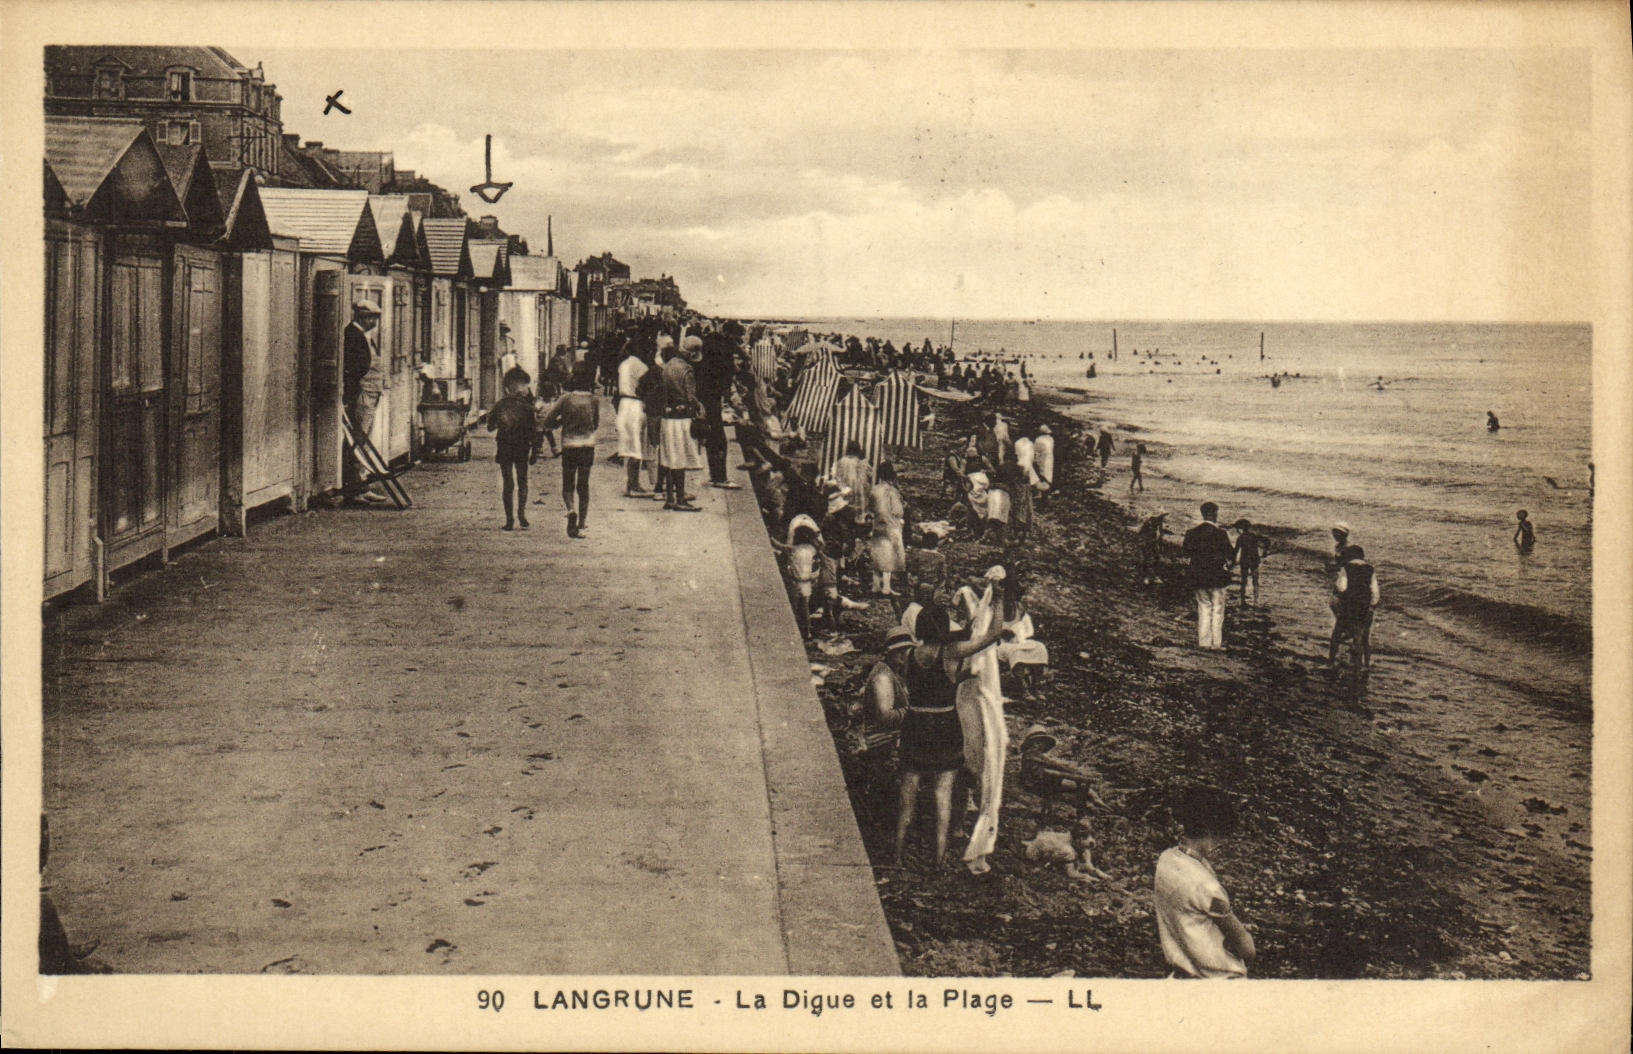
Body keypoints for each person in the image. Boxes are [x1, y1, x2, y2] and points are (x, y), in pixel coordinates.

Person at [894, 603, 1006, 869]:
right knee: (943, 795)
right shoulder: (952, 652)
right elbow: (994, 633)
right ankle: (939, 859)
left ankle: (896, 857)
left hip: (915, 724)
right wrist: (999, 597)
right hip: (944, 726)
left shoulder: (910, 654)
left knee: (907, 795)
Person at [1154, 785, 1256, 979]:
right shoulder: (1207, 888)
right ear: (1213, 831)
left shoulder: (1166, 860)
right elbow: (1247, 949)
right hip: (1217, 979)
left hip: (1180, 971)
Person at [541, 363, 601, 538]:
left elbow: (548, 420)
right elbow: (595, 424)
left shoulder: (566, 399)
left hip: (569, 445)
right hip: (587, 445)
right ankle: (581, 525)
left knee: (568, 484)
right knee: (584, 486)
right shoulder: (593, 400)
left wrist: (561, 422)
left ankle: (570, 509)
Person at [485, 366, 542, 531]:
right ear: (520, 386)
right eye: (525, 385)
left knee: (507, 483)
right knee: (522, 481)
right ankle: (522, 515)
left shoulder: (500, 405)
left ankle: (509, 519)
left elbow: (490, 427)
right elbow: (534, 431)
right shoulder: (527, 407)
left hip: (504, 446)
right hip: (522, 447)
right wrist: (535, 452)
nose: (526, 389)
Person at [341, 300, 387, 503]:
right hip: (362, 395)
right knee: (357, 440)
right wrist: (356, 390)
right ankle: (354, 488)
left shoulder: (363, 336)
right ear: (364, 317)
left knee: (362, 439)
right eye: (374, 317)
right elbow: (353, 367)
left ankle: (361, 484)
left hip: (370, 393)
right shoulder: (352, 335)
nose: (376, 321)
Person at [659, 336, 705, 511]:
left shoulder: (668, 365)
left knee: (669, 458)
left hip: (667, 416)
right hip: (681, 417)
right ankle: (680, 499)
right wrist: (699, 407)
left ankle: (670, 497)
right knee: (679, 459)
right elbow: (690, 397)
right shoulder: (687, 370)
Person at [1181, 502, 1235, 651]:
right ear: (1213, 514)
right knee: (1217, 609)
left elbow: (1185, 553)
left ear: (1203, 514)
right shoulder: (1221, 534)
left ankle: (1204, 643)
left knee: (1203, 607)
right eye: (1216, 513)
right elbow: (1231, 555)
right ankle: (1216, 643)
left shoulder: (1191, 533)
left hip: (1198, 576)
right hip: (1217, 577)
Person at [996, 577, 1049, 700]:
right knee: (1016, 653)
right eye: (1007, 595)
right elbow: (985, 629)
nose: (1009, 598)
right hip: (1000, 644)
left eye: (1012, 595)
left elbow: (1028, 630)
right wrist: (1001, 633)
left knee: (1040, 648)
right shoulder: (995, 608)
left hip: (1019, 641)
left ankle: (1035, 686)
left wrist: (1019, 633)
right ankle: (1023, 688)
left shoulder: (1019, 609)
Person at [1328, 544, 1380, 671]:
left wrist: (1337, 590)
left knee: (1337, 633)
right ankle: (1361, 665)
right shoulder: (1370, 569)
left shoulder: (1346, 568)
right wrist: (1371, 607)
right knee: (1360, 637)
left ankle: (1331, 661)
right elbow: (1375, 591)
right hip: (1363, 607)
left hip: (1349, 605)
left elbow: (1342, 587)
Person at [615, 340, 650, 497]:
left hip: (624, 404)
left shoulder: (623, 364)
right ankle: (633, 485)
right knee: (637, 445)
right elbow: (646, 388)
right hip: (635, 404)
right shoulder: (642, 366)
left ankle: (631, 484)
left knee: (629, 444)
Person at [868, 461, 908, 597]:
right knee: (889, 556)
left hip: (877, 524)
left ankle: (875, 585)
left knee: (877, 554)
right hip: (891, 526)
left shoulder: (874, 489)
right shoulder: (892, 491)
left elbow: (871, 507)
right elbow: (898, 511)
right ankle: (886, 586)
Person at [1231, 518, 1269, 606]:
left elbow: (1235, 551)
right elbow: (1267, 541)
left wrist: (1232, 562)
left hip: (1244, 561)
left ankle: (1243, 601)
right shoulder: (1254, 536)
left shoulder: (1240, 538)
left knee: (1244, 581)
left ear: (1241, 529)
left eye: (1237, 529)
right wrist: (1265, 551)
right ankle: (1256, 601)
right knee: (1255, 581)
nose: (1237, 531)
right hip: (1254, 560)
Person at [832, 441, 874, 519]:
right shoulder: (861, 463)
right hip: (858, 499)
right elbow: (867, 481)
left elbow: (836, 479)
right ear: (858, 450)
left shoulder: (841, 461)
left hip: (843, 498)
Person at [1138, 510, 1171, 585]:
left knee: (1157, 559)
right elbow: (1142, 534)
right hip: (1148, 543)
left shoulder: (1159, 523)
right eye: (1161, 516)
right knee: (1148, 559)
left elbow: (1160, 533)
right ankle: (1146, 577)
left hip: (1155, 544)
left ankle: (1155, 576)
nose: (1162, 518)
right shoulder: (1149, 523)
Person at [1033, 425, 1055, 501]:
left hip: (1041, 459)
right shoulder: (1051, 439)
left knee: (1041, 474)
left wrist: (1035, 459)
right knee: (1048, 474)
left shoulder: (1038, 439)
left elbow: (1036, 450)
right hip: (1049, 459)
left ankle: (1041, 493)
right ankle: (1046, 493)